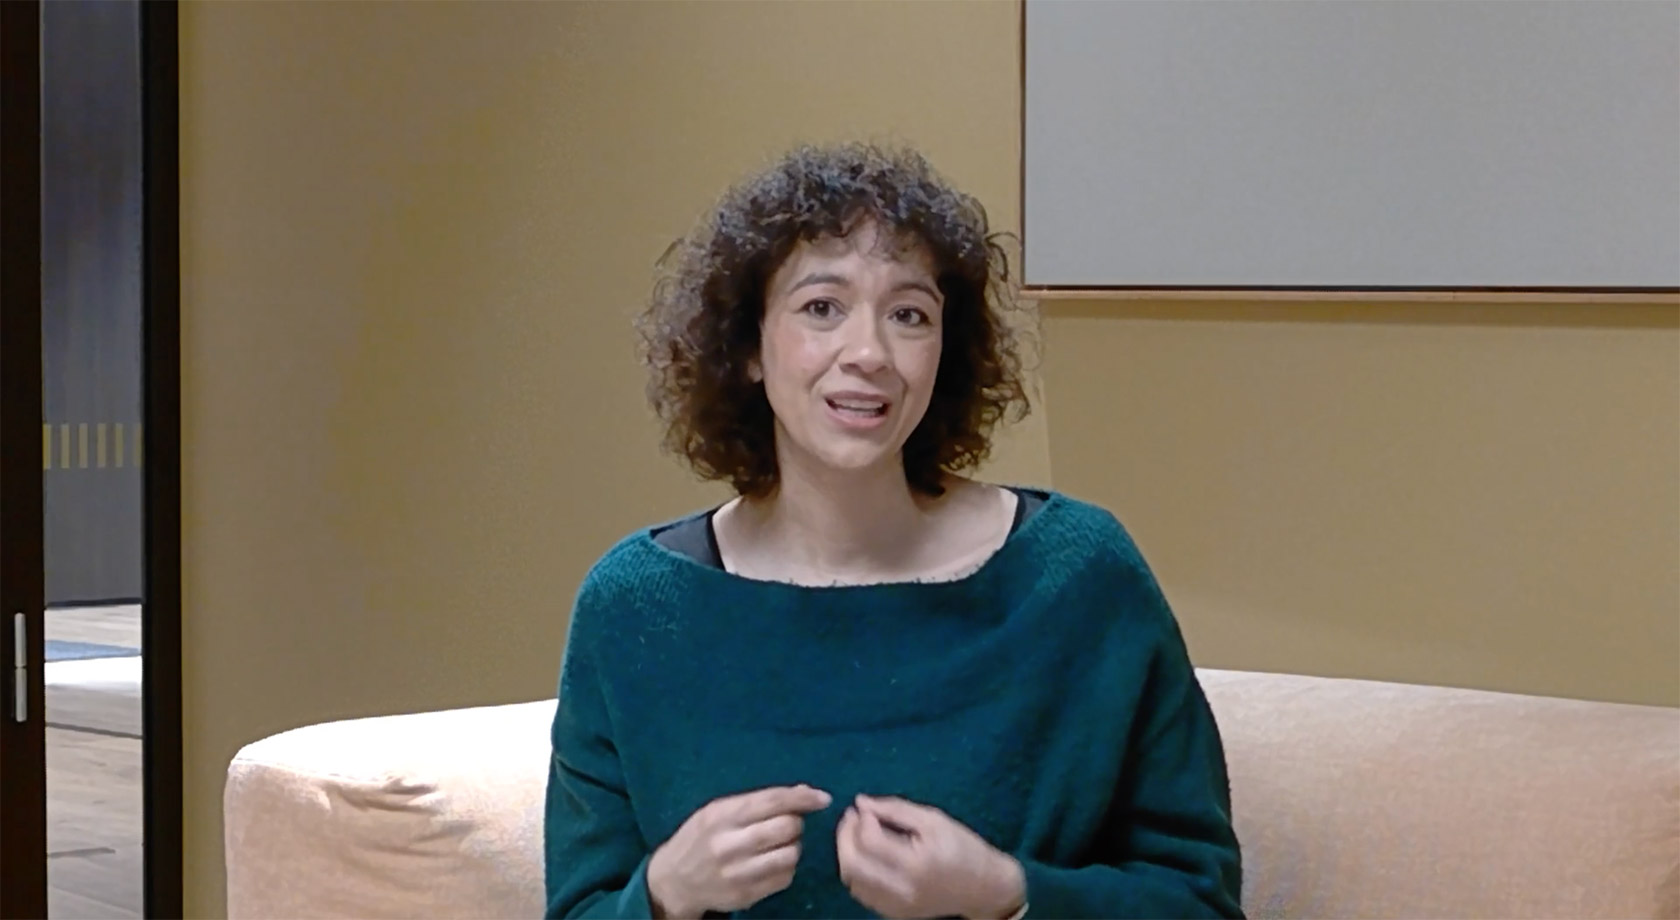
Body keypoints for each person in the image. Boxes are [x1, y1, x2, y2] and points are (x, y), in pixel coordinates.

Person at [543, 141, 1243, 920]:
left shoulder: (1081, 579)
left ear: (946, 352)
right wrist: (666, 893)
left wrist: (1007, 895)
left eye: (909, 315)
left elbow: (1200, 901)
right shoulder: (633, 610)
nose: (869, 353)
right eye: (821, 309)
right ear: (747, 347)